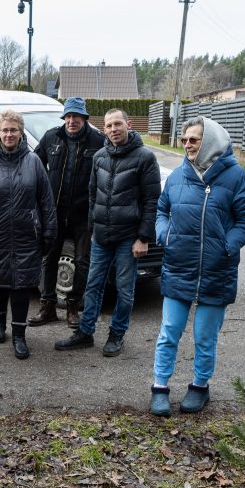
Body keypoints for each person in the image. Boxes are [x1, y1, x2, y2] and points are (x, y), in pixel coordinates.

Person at [150, 117, 245, 416]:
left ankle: (200, 386)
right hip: (178, 266)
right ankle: (160, 387)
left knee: (205, 336)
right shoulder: (177, 176)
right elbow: (162, 210)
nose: (187, 144)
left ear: (210, 141)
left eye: (194, 139)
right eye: (185, 139)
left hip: (216, 271)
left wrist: (227, 244)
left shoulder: (235, 177)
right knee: (169, 332)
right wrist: (165, 234)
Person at [56, 109, 160, 357]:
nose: (113, 129)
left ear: (129, 124)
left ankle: (117, 335)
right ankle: (85, 332)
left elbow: (152, 201)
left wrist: (143, 237)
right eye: (108, 125)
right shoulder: (100, 157)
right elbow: (93, 196)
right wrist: (92, 229)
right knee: (93, 285)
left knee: (125, 289)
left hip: (129, 237)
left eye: (117, 124)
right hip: (101, 236)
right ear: (103, 129)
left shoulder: (145, 157)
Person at [0, 110, 56, 360]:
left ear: (21, 132)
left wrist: (48, 232)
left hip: (27, 235)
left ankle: (19, 336)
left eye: (13, 129)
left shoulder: (34, 162)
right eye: (5, 130)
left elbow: (46, 200)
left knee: (22, 285)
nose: (9, 134)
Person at [29, 97, 106, 328]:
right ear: (64, 118)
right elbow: (34, 163)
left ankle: (73, 307)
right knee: (49, 259)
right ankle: (48, 307)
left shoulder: (98, 141)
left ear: (84, 118)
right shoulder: (52, 137)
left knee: (83, 261)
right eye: (68, 117)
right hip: (54, 211)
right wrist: (40, 193)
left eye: (77, 117)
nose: (72, 121)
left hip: (84, 214)